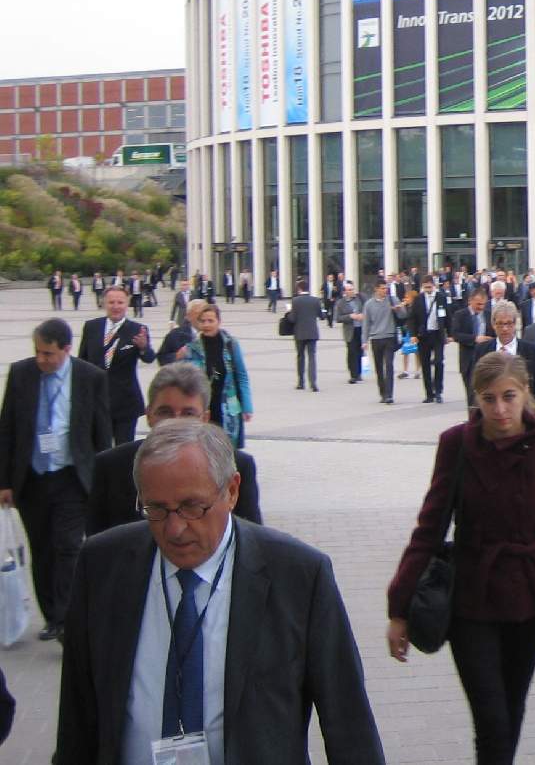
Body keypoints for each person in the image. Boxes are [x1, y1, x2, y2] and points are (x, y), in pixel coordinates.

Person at [56, 420, 385, 764]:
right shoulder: (102, 565)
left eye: (191, 506)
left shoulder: (300, 576)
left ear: (231, 491)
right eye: (156, 509)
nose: (175, 528)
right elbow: (77, 719)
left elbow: (349, 724)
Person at [387, 352, 535, 765]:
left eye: (509, 396)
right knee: (492, 720)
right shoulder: (456, 445)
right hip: (472, 600)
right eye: (488, 398)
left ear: (526, 392)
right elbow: (429, 529)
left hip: (531, 601)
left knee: (511, 713)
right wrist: (398, 609)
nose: (500, 409)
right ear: (476, 398)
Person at [0, 318, 111, 643]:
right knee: (42, 549)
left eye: (48, 353)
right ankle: (50, 614)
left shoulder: (90, 378)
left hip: (71, 477)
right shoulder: (22, 374)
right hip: (31, 478)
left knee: (68, 546)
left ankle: (65, 617)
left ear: (65, 349)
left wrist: (103, 479)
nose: (42, 360)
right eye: (38, 352)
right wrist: (4, 481)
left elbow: (102, 433)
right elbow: (6, 429)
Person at [87, 361, 261, 535]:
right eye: (165, 412)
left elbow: (252, 541)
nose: (175, 423)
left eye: (188, 414)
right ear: (148, 415)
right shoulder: (111, 467)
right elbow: (96, 548)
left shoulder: (237, 466)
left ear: (205, 418)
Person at [77, 285, 156, 445]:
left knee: (123, 449)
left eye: (120, 302)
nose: (115, 306)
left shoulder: (137, 329)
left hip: (125, 402)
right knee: (99, 449)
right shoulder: (92, 327)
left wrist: (143, 347)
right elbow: (82, 361)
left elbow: (149, 358)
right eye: (111, 302)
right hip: (97, 400)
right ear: (104, 303)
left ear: (127, 304)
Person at [180, 304, 254, 447]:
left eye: (210, 321)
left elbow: (241, 375)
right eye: (203, 321)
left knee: (227, 450)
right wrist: (179, 358)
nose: (206, 325)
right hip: (202, 406)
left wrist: (247, 406)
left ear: (219, 322)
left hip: (228, 407)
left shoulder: (231, 344)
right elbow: (183, 379)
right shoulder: (192, 348)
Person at [471, 301, 535, 414]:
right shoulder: (482, 351)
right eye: (500, 324)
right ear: (493, 324)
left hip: (526, 416)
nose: (505, 328)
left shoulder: (533, 352)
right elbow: (475, 389)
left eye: (509, 323)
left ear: (515, 324)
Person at [409, 275, 452, 403]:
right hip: (424, 335)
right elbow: (412, 318)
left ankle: (438, 390)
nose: (428, 289)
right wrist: (413, 334)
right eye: (425, 287)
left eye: (430, 286)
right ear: (422, 287)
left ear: (434, 286)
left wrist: (450, 334)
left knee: (439, 362)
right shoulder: (418, 299)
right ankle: (429, 393)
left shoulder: (441, 297)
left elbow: (448, 316)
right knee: (425, 364)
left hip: (437, 335)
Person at [362, 281, 407, 403]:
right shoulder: (369, 304)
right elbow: (366, 324)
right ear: (376, 289)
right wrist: (364, 341)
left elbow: (404, 315)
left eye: (386, 288)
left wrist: (399, 309)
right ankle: (382, 391)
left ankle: (389, 394)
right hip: (376, 338)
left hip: (389, 336)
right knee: (379, 367)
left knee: (389, 365)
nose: (384, 291)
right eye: (382, 289)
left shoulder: (393, 300)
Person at [451, 287, 495, 403]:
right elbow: (455, 334)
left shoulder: (488, 315)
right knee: (471, 392)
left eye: (483, 304)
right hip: (468, 357)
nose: (481, 307)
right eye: (478, 304)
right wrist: (475, 339)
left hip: (485, 357)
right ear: (470, 301)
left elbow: (494, 333)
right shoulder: (460, 315)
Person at [288, 277, 323, 392]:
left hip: (299, 333)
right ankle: (313, 383)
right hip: (312, 332)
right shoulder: (315, 300)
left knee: (300, 357)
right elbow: (321, 316)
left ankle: (301, 382)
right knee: (312, 357)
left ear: (299, 289)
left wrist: (288, 313)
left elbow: (292, 319)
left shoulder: (295, 301)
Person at [333, 280, 368, 384]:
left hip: (360, 329)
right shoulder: (340, 303)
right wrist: (350, 316)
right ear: (345, 291)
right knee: (352, 352)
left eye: (352, 289)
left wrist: (363, 316)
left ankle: (359, 374)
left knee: (360, 352)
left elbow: (367, 310)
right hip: (350, 331)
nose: (351, 292)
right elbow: (337, 318)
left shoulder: (360, 299)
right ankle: (353, 375)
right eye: (349, 290)